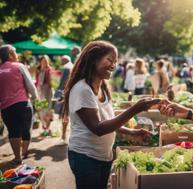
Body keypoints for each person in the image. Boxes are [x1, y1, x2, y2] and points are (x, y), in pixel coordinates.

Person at [63, 41, 159, 189]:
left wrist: (132, 132)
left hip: (103, 156)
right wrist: (135, 108)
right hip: (85, 157)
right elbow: (98, 128)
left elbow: (107, 121)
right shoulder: (82, 89)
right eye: (109, 59)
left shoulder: (102, 86)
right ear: (94, 58)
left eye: (115, 61)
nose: (113, 65)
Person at [0, 45, 38, 165]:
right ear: (10, 54)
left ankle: (17, 157)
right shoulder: (19, 66)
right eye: (15, 52)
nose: (17, 55)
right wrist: (36, 97)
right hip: (22, 104)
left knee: (13, 131)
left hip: (6, 107)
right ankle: (24, 152)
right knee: (26, 130)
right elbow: (30, 84)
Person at [54, 55, 73, 144]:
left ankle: (63, 137)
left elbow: (63, 83)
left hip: (66, 94)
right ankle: (66, 136)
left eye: (62, 60)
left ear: (64, 60)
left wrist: (59, 94)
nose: (61, 62)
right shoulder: (72, 65)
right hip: (72, 93)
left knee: (64, 115)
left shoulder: (66, 68)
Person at [36, 55, 53, 135]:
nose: (44, 62)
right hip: (39, 92)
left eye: (46, 61)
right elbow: (37, 81)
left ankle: (48, 127)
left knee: (47, 110)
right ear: (41, 61)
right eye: (43, 60)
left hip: (47, 92)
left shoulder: (49, 70)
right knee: (40, 110)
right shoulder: (38, 70)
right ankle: (44, 125)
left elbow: (51, 82)